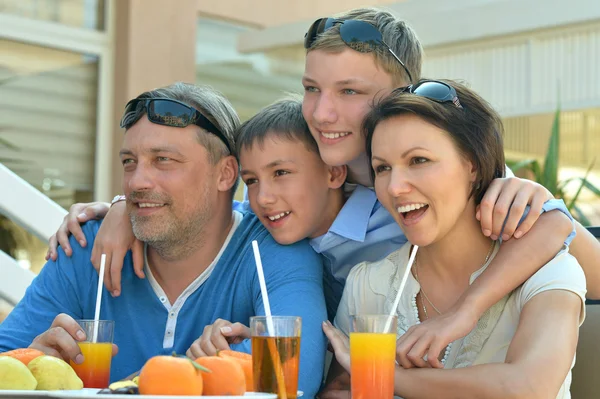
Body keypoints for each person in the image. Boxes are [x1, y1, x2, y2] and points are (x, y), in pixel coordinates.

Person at [46, 7, 600, 362]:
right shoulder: (305, 180)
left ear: (403, 96)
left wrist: (545, 211)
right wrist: (124, 207)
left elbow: (576, 262)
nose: (323, 111)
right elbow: (225, 207)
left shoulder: (447, 177)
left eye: (350, 93)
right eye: (311, 88)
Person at [0, 83, 327, 397]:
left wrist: (132, 388)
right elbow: (7, 355)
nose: (137, 182)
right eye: (130, 162)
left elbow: (294, 369)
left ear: (226, 174)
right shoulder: (86, 244)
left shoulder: (270, 244)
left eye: (164, 160)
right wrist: (29, 360)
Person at [323, 79, 586, 398]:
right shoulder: (367, 285)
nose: (394, 187)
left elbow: (528, 387)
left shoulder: (550, 271)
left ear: (472, 165)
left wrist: (383, 376)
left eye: (418, 160)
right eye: (382, 168)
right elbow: (338, 391)